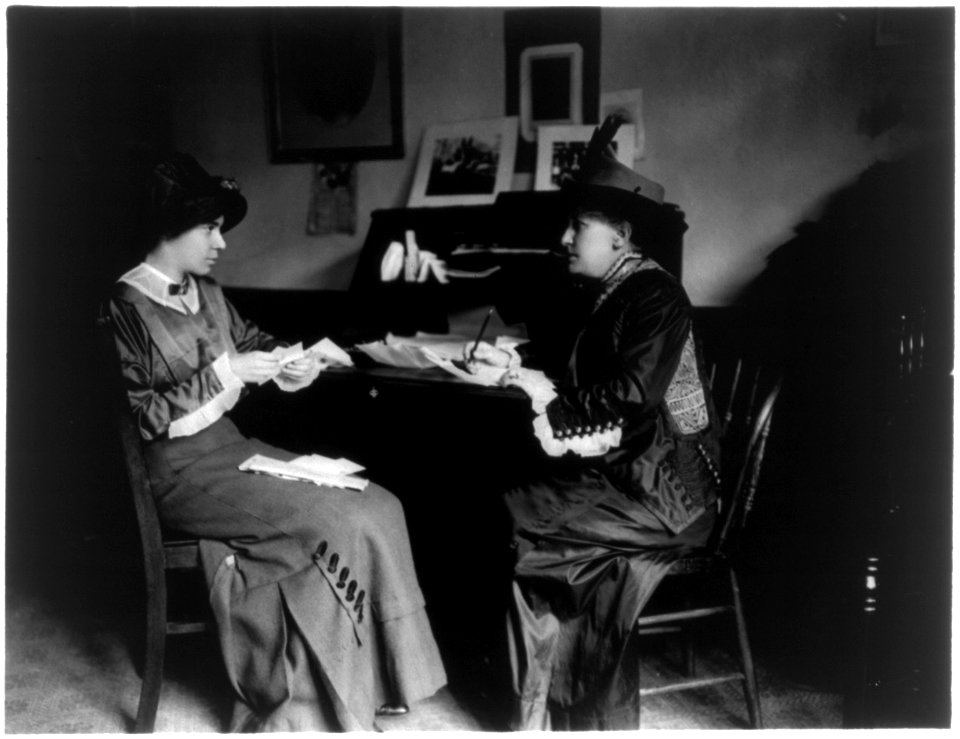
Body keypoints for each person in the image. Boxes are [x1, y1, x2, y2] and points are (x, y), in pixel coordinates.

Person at [104, 152, 447, 732]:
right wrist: (230, 372)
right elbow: (145, 418)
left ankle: (384, 680)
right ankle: (322, 699)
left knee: (375, 501)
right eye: (209, 228)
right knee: (332, 521)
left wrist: (291, 363)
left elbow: (254, 343)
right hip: (177, 473)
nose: (222, 242)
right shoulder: (124, 307)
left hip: (231, 449)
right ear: (169, 227)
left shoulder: (208, 291)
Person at [468, 118, 722, 730]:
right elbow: (579, 368)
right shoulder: (609, 290)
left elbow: (630, 395)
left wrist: (537, 395)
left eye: (578, 227)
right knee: (519, 514)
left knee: (516, 519)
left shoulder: (655, 296)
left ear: (622, 237)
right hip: (625, 475)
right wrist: (518, 361)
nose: (564, 238)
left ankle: (538, 708)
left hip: (669, 491)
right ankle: (542, 710)